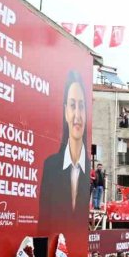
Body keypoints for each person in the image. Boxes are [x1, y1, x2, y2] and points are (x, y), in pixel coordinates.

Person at [37, 70, 91, 238]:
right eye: (72, 105)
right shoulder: (51, 166)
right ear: (65, 110)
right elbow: (43, 225)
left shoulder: (89, 167)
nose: (77, 115)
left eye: (81, 106)